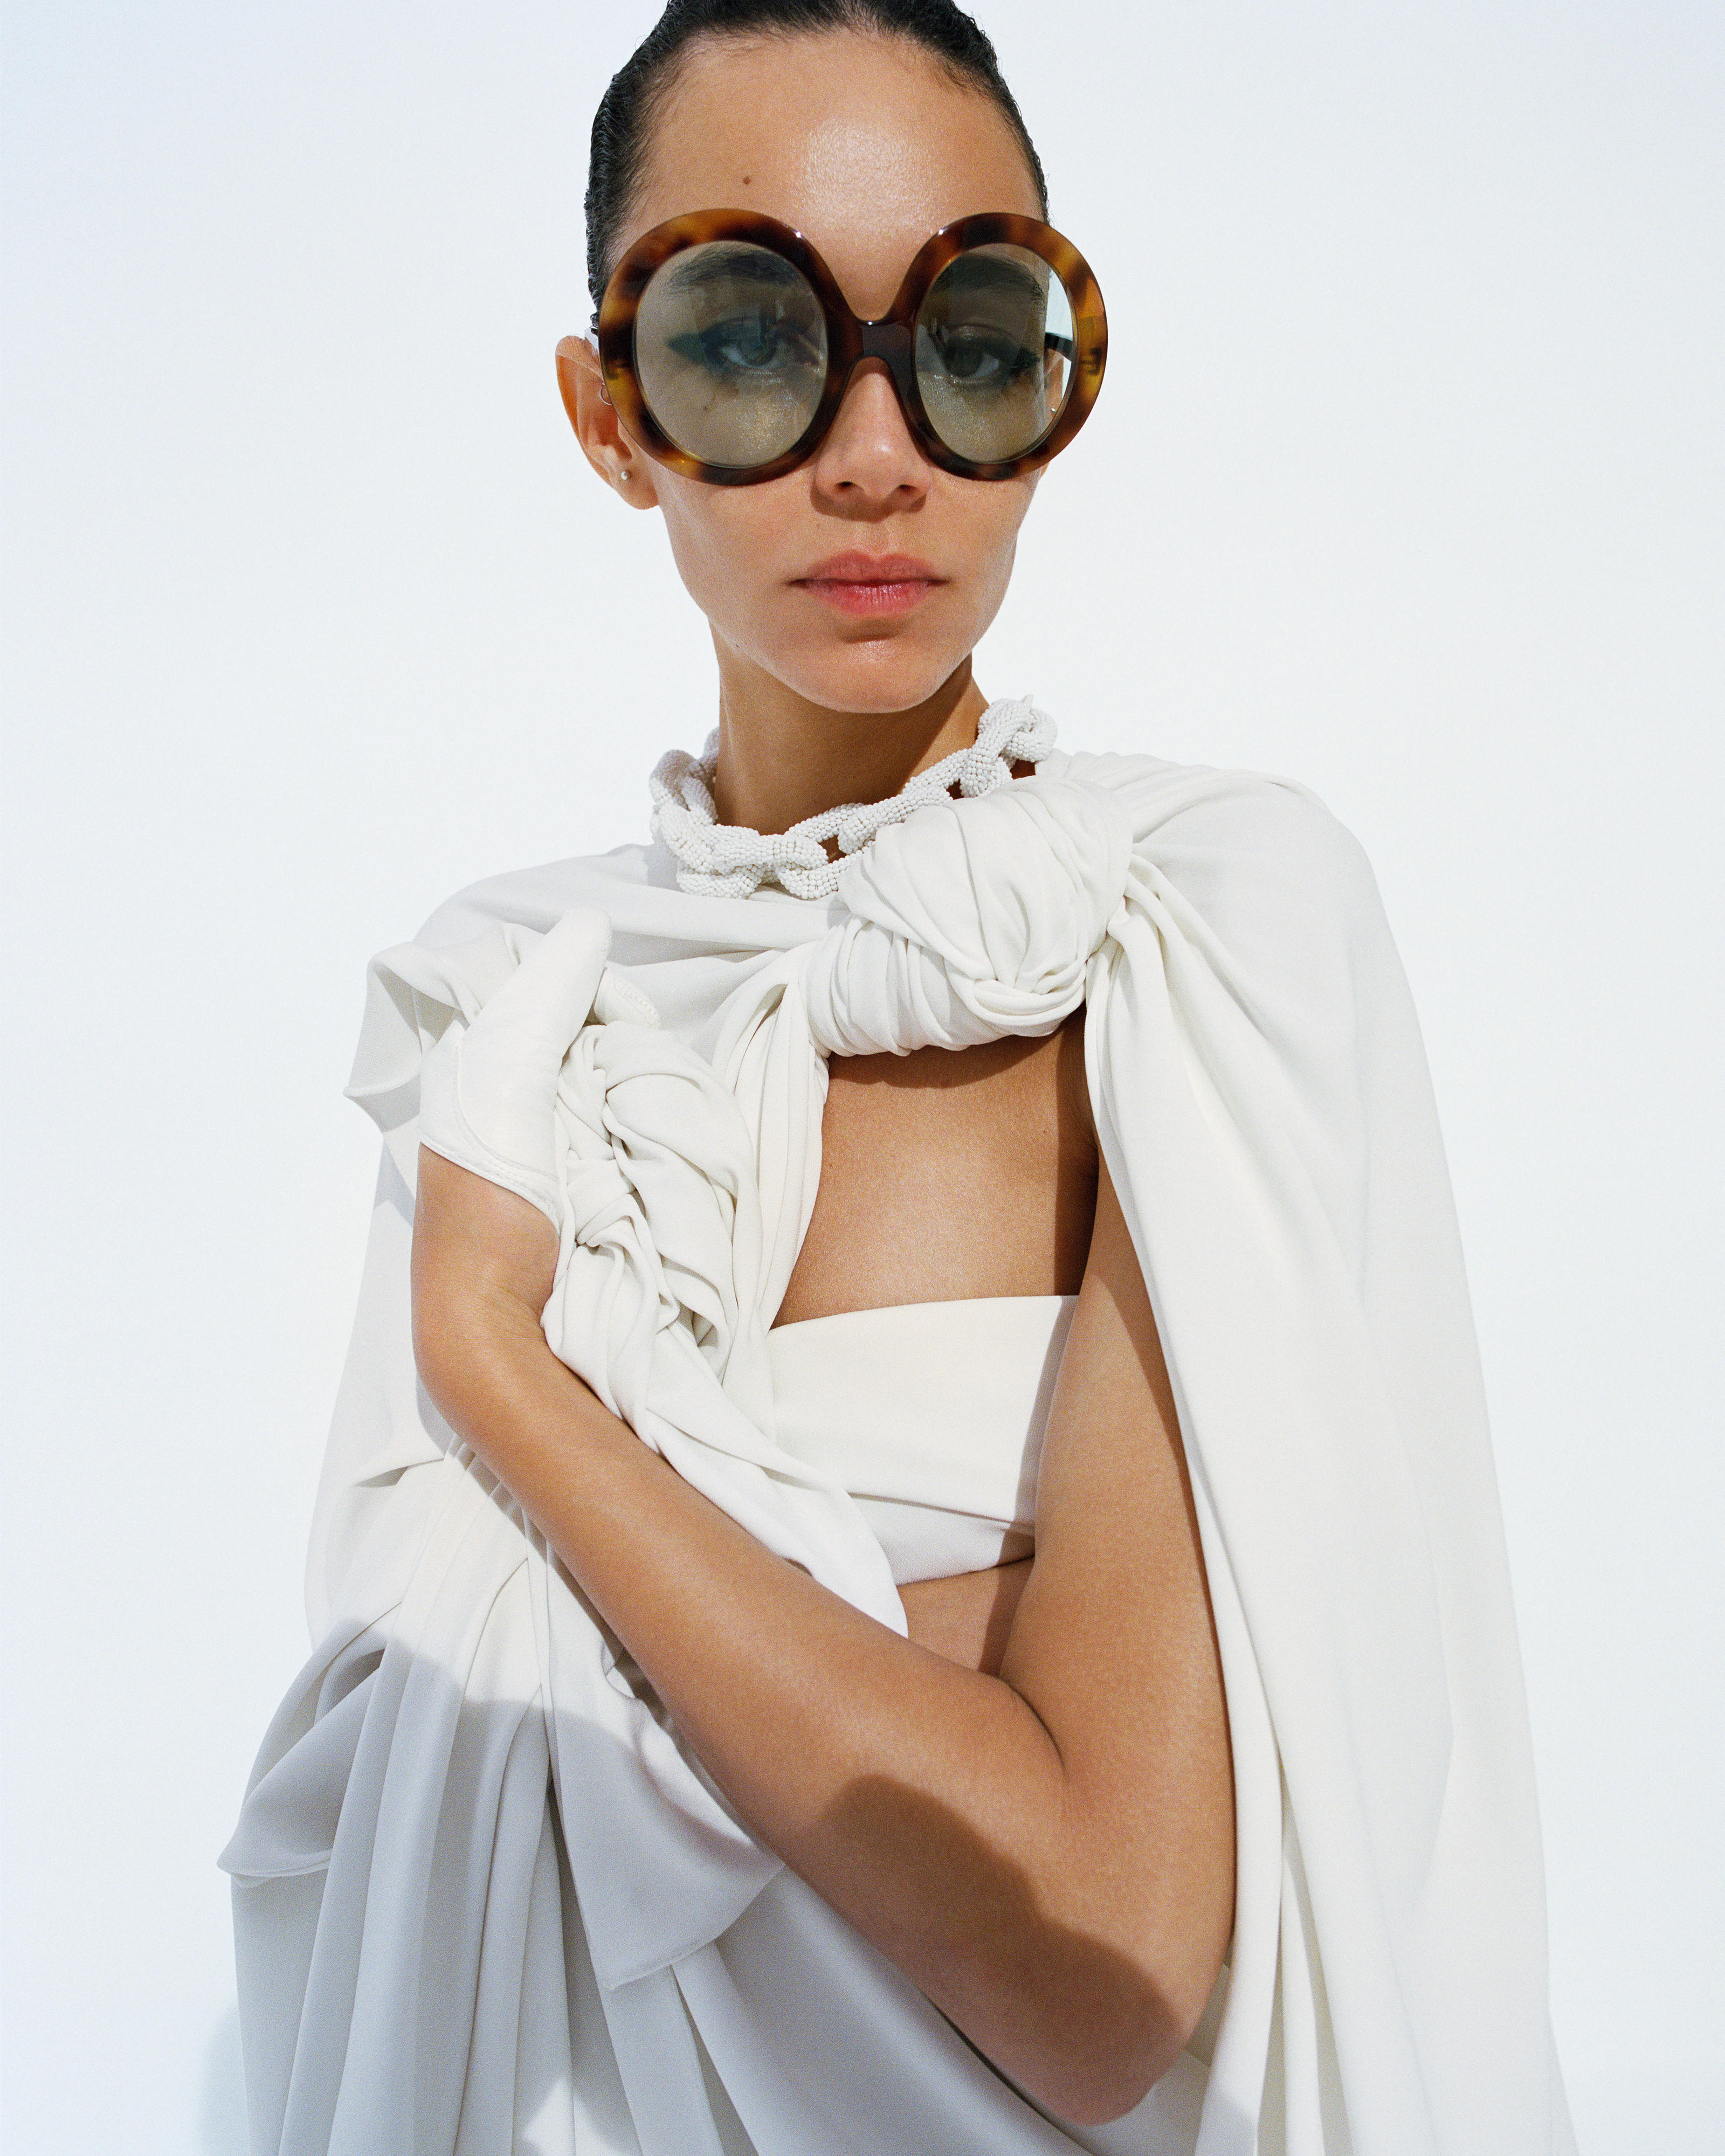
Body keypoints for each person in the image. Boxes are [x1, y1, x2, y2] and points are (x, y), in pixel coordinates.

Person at [220, 4, 1576, 2151]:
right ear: (608, 411)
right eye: (748, 341)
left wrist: (501, 1376)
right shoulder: (502, 999)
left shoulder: (1192, 921)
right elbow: (366, 1760)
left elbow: (1093, 1955)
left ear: (1051, 392)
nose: (873, 456)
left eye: (968, 341)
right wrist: (946, 1679)